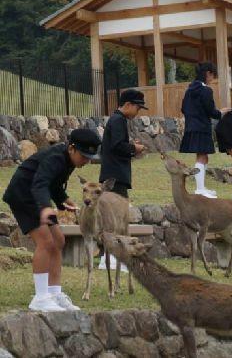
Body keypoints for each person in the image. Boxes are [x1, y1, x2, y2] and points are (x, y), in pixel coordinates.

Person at [2, 129, 101, 311]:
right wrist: (46, 207)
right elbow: (40, 182)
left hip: (38, 197)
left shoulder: (68, 160)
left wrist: (64, 201)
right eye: (84, 156)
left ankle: (54, 294)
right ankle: (40, 298)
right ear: (72, 148)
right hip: (23, 196)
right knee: (46, 242)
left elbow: (53, 184)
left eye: (90, 157)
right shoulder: (55, 158)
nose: (87, 161)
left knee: (58, 240)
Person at [179, 62, 225, 199]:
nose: (212, 80)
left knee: (203, 156)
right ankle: (199, 189)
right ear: (208, 73)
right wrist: (221, 113)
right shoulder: (206, 90)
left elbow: (183, 109)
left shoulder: (189, 90)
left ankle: (202, 187)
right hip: (202, 127)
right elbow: (211, 111)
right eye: (212, 76)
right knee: (202, 156)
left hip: (191, 126)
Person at [99, 89, 146, 198]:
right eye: (137, 108)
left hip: (113, 176)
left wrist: (131, 146)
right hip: (115, 177)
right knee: (119, 211)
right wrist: (135, 148)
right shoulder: (118, 120)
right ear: (128, 104)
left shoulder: (116, 119)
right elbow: (118, 146)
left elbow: (115, 144)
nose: (137, 112)